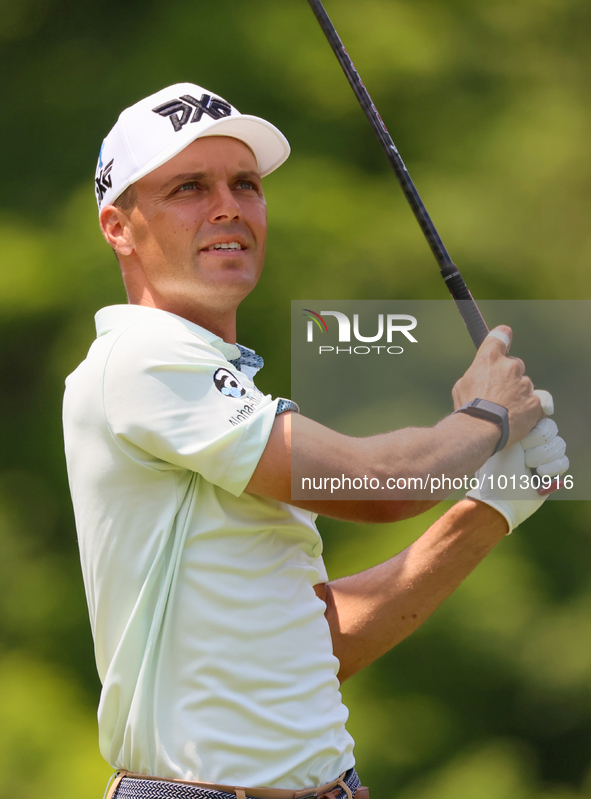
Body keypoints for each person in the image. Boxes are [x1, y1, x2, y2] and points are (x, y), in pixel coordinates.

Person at [63, 83, 568, 799]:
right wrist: (486, 418)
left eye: (245, 183)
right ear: (118, 227)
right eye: (187, 187)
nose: (229, 206)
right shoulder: (142, 358)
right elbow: (376, 482)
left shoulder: (218, 384)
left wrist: (490, 507)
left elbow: (315, 643)